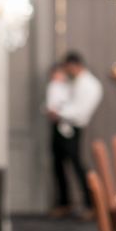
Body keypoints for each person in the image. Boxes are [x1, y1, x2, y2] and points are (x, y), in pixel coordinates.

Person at [46, 52, 103, 219]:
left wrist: (59, 113)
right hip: (61, 125)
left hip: (73, 127)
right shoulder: (74, 81)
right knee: (58, 165)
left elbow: (80, 112)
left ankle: (91, 204)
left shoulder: (89, 85)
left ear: (75, 65)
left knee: (77, 165)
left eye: (67, 67)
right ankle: (64, 203)